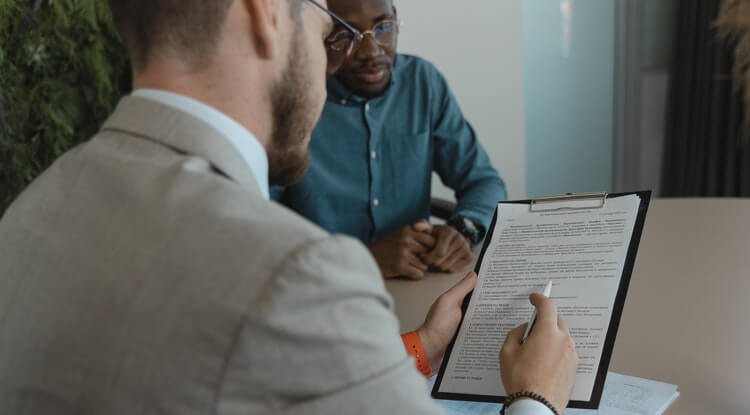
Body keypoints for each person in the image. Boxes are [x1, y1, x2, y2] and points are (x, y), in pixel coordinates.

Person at [0, 0, 577, 414]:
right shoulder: (294, 276)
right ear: (264, 15)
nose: (340, 56)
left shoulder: (30, 211)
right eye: (328, 28)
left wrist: (421, 348)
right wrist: (534, 397)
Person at [273, 0, 507, 280]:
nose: (371, 52)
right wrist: (365, 257)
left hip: (417, 281)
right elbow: (257, 225)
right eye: (346, 33)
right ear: (319, 32)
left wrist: (463, 229)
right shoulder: (291, 99)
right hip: (323, 285)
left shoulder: (423, 82)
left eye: (383, 27)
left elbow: (484, 181)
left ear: (396, 19)